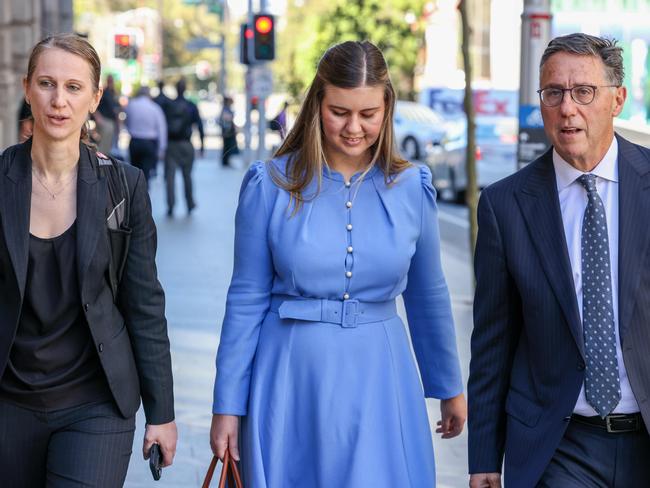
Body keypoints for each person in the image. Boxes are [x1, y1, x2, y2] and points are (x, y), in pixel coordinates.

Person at [210, 40, 466, 487]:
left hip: (381, 380)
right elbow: (246, 298)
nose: (354, 128)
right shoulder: (268, 185)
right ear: (316, 105)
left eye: (368, 114)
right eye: (340, 112)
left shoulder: (412, 187)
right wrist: (227, 405)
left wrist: (449, 386)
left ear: (387, 108)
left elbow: (428, 293)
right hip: (289, 378)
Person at [468, 33, 650, 488]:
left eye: (584, 92)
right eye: (553, 93)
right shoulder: (505, 205)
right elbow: (493, 341)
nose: (567, 107)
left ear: (617, 100)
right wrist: (484, 458)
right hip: (559, 445)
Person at [0, 33, 177, 486]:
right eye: (47, 84)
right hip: (9, 400)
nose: (59, 101)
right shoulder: (1, 181)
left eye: (74, 87)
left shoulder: (125, 186)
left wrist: (162, 413)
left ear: (95, 98)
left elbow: (144, 304)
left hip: (96, 401)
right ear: (26, 88)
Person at [162, 78, 204, 216]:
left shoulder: (169, 105)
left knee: (170, 177)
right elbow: (199, 125)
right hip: (186, 144)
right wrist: (202, 146)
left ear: (175, 89)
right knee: (187, 176)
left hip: (172, 144)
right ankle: (190, 203)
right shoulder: (191, 106)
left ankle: (170, 205)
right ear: (185, 89)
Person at [124, 85, 167, 184]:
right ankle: (143, 194)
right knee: (146, 173)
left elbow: (126, 121)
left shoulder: (131, 105)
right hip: (149, 143)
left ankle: (134, 195)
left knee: (134, 172)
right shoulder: (155, 108)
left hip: (135, 141)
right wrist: (162, 148)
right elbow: (161, 128)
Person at [93, 74, 119, 156]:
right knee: (102, 146)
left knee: (107, 146)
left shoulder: (113, 92)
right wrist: (98, 117)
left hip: (111, 121)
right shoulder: (105, 92)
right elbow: (95, 105)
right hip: (104, 121)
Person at [218, 95, 238, 167]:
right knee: (227, 146)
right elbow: (226, 119)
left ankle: (226, 161)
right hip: (227, 131)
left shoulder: (226, 109)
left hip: (228, 130)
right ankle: (225, 161)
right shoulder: (225, 109)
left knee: (227, 146)